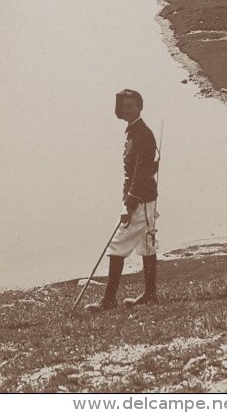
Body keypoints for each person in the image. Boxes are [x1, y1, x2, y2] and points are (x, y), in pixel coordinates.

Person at [86, 89, 159, 312]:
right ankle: (150, 295)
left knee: (117, 246)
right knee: (147, 245)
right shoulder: (135, 132)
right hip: (145, 197)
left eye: (131, 105)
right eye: (123, 106)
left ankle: (108, 300)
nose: (126, 109)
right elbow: (145, 167)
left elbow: (140, 172)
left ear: (139, 106)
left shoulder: (141, 133)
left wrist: (129, 203)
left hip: (141, 200)